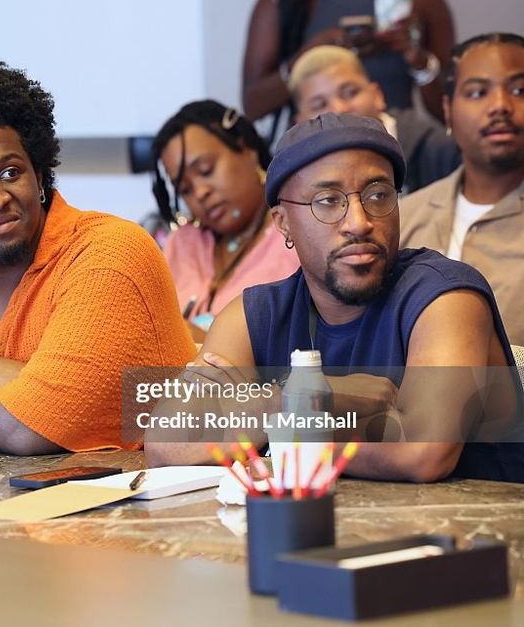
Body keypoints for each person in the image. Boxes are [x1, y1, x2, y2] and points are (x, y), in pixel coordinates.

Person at [146, 113, 522, 483]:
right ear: (282, 222)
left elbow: (423, 454)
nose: (359, 222)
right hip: (325, 521)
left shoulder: (445, 296)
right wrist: (284, 400)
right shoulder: (253, 316)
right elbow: (166, 445)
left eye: (378, 195)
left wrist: (260, 421)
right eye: (327, 201)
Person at [0, 58, 195, 455]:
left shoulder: (109, 252)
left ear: (39, 175)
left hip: (143, 493)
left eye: (10, 173)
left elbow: (26, 426)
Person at [401, 33, 524, 345]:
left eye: (519, 90)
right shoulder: (403, 216)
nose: (500, 106)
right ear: (448, 110)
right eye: (477, 92)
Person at [242, 0, 454, 131]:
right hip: (314, 156)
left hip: (398, 152)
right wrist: (307, 58)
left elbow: (451, 115)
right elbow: (253, 106)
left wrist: (419, 61)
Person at [152, 101, 298, 341]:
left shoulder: (296, 230)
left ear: (246, 148)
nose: (200, 193)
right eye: (185, 189)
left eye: (206, 170)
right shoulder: (182, 244)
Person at [289, 45, 460, 193]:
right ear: (300, 123)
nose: (339, 109)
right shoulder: (299, 181)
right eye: (320, 105)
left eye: (350, 93)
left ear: (377, 95)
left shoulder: (437, 150)